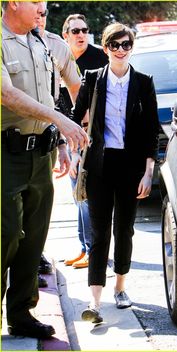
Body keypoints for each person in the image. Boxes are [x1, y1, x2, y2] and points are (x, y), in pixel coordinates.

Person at [1, 1, 88, 339]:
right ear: (13, 4)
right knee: (6, 232)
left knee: (34, 237)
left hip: (42, 154)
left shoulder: (41, 43)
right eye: (36, 2)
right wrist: (60, 120)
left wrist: (63, 143)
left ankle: (21, 312)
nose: (42, 9)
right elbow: (6, 94)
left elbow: (54, 95)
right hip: (5, 153)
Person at [73, 22, 159, 323]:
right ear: (106, 48)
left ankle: (120, 286)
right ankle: (93, 301)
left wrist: (148, 172)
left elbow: (151, 131)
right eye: (115, 45)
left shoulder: (144, 82)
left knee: (124, 228)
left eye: (126, 45)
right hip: (100, 165)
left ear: (131, 47)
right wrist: (73, 152)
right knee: (99, 233)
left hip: (131, 167)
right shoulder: (93, 79)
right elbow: (75, 118)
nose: (121, 50)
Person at [36, 4, 81, 285]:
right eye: (35, 11)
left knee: (39, 205)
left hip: (44, 141)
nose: (39, 18)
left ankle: (34, 254)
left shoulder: (55, 46)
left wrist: (69, 142)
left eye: (43, 13)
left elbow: (71, 93)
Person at [61, 13, 109, 269]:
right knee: (77, 195)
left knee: (88, 194)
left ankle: (94, 251)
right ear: (65, 35)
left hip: (91, 136)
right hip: (68, 134)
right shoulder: (61, 58)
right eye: (75, 31)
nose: (81, 35)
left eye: (84, 30)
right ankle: (83, 247)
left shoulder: (99, 58)